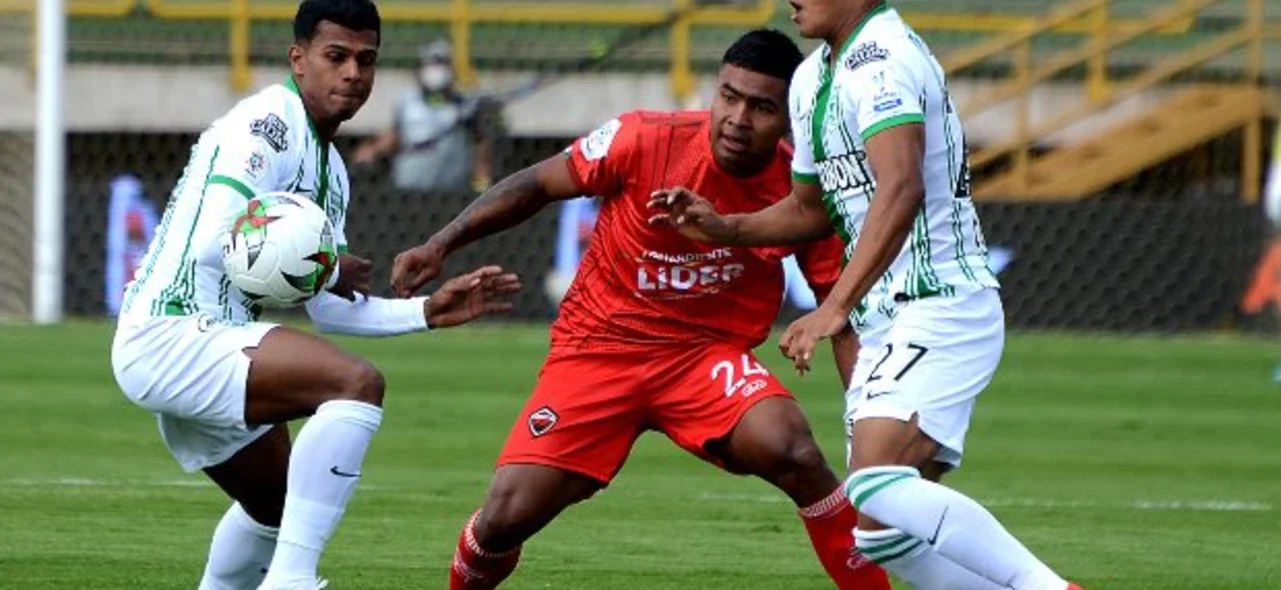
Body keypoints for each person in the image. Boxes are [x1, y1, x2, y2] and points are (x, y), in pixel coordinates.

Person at [391, 29, 891, 590]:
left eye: (761, 106)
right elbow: (537, 183)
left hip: (703, 359)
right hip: (598, 349)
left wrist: (868, 431)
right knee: (506, 517)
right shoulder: (644, 138)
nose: (737, 118)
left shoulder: (803, 190)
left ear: (789, 118)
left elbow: (838, 307)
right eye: (728, 96)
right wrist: (442, 243)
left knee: (795, 450)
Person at [648, 2, 1085, 589]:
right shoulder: (811, 77)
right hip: (887, 321)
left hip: (939, 302)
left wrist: (832, 309)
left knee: (874, 483)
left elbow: (900, 189)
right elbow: (809, 208)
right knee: (881, 532)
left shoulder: (886, 60)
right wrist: (727, 227)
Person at [110, 2, 520, 589]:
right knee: (357, 385)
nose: (353, 73)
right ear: (297, 60)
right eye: (336, 56)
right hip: (171, 332)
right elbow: (211, 242)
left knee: (277, 511)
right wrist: (324, 266)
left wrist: (427, 312)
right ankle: (292, 582)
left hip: (217, 343)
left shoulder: (331, 169)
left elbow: (327, 309)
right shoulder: (268, 124)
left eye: (366, 60)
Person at [353, 39, 494, 195]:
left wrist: (482, 187)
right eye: (430, 63)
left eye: (441, 63)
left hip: (452, 194)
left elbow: (480, 151)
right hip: (409, 192)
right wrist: (372, 150)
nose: (436, 71)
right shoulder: (407, 104)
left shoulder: (466, 108)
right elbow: (394, 136)